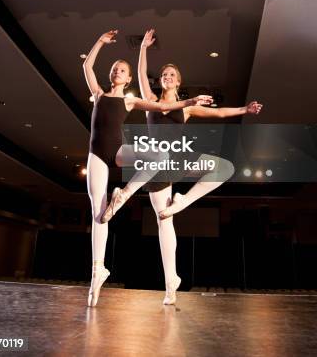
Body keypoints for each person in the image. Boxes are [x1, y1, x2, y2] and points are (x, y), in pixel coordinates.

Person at [102, 29, 263, 304]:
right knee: (164, 223)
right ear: (161, 80)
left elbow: (219, 112)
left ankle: (182, 202)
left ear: (179, 81)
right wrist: (142, 48)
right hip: (155, 167)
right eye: (164, 75)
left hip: (178, 158)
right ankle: (171, 283)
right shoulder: (150, 101)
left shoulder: (185, 108)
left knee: (224, 168)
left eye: (172, 75)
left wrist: (244, 111)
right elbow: (141, 74)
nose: (167, 77)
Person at [84, 29, 212, 307]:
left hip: (121, 153)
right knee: (99, 213)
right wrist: (100, 42)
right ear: (111, 75)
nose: (118, 71)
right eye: (115, 68)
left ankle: (126, 193)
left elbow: (162, 104)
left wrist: (189, 101)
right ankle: (98, 270)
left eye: (123, 69)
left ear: (128, 79)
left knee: (159, 172)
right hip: (96, 154)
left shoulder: (131, 99)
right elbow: (86, 66)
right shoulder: (97, 93)